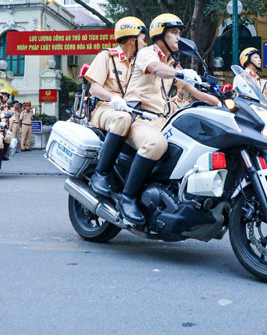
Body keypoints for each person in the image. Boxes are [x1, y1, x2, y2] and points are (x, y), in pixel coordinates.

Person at [120, 13, 218, 224]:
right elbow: (156, 69)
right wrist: (180, 75)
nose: (177, 38)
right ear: (160, 35)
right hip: (138, 118)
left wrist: (224, 101)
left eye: (178, 33)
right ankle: (127, 197)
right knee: (156, 143)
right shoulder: (148, 54)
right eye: (173, 33)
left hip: (161, 121)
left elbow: (196, 92)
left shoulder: (172, 65)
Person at [84, 16, 147, 197]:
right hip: (106, 109)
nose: (145, 41)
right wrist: (113, 98)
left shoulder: (140, 63)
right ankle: (100, 173)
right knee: (122, 118)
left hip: (133, 112)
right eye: (143, 37)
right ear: (132, 39)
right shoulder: (107, 56)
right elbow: (94, 87)